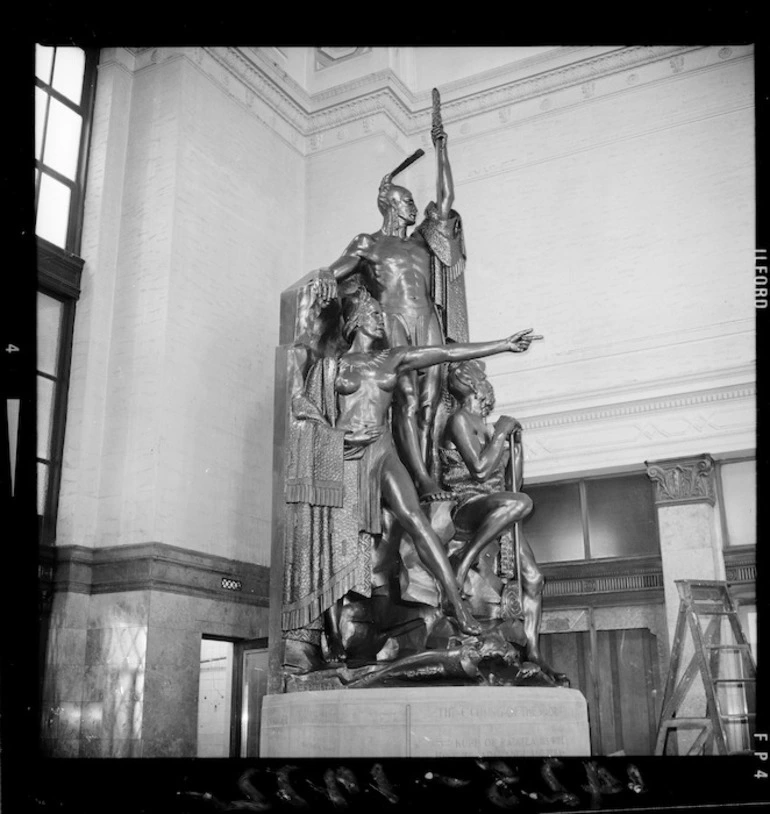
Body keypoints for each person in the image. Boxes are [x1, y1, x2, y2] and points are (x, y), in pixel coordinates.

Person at [288, 287, 542, 643]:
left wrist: (502, 344)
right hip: (346, 455)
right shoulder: (331, 367)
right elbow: (307, 411)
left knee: (416, 520)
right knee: (340, 540)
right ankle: (332, 634)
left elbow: (443, 352)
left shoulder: (391, 359)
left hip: (382, 449)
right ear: (357, 321)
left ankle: (456, 604)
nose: (381, 320)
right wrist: (333, 439)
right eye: (375, 315)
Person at [311, 120, 461, 499]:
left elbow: (444, 204)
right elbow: (335, 270)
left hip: (427, 319)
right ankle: (420, 481)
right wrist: (324, 277)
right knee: (407, 401)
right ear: (392, 204)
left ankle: (428, 473)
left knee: (430, 403)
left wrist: (441, 148)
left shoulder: (422, 244)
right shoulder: (369, 243)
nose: (414, 207)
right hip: (392, 320)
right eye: (408, 201)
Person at [440, 359, 567, 684]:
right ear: (469, 384)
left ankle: (534, 652)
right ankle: (463, 559)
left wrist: (517, 448)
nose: (484, 382)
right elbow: (480, 471)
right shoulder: (459, 420)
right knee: (521, 503)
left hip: (498, 509)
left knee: (534, 579)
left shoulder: (490, 426)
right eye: (479, 377)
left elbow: (513, 483)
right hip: (467, 506)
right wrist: (501, 434)